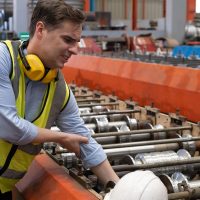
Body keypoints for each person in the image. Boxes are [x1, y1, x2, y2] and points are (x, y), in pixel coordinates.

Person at [0, 0, 119, 199]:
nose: (75, 49)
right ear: (41, 29)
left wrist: (120, 188)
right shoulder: (4, 59)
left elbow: (83, 141)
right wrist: (60, 137)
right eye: (68, 40)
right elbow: (7, 125)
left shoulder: (59, 90)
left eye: (77, 41)